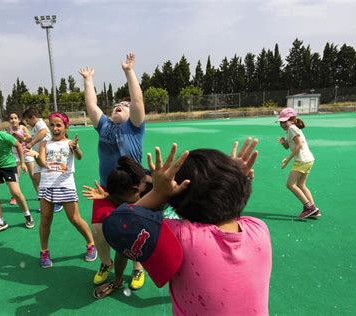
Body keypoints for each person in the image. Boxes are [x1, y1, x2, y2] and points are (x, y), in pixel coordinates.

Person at [104, 139, 272, 315]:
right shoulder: (259, 228)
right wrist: (238, 180)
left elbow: (118, 222)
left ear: (177, 201)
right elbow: (233, 211)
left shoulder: (182, 236)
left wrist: (159, 193)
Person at [79, 52, 146, 288]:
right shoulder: (104, 126)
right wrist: (88, 80)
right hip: (105, 189)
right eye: (116, 105)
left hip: (132, 189)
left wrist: (129, 71)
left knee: (135, 229)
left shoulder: (135, 128)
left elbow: (137, 101)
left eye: (123, 106)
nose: (119, 106)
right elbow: (91, 106)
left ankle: (137, 266)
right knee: (97, 229)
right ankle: (106, 263)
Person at [26, 112, 97, 268]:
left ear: (66, 127)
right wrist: (36, 155)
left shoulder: (70, 143)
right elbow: (44, 163)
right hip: (47, 185)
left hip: (65, 185)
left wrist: (76, 147)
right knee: (45, 220)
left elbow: (79, 157)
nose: (55, 128)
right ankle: (44, 251)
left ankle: (91, 243)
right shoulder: (45, 143)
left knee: (75, 219)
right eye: (52, 125)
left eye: (59, 125)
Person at [82, 156, 153, 298]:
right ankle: (116, 277)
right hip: (137, 203)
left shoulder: (152, 188)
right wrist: (117, 281)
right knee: (125, 242)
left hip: (167, 218)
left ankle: (138, 266)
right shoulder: (129, 189)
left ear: (135, 190)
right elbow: (122, 250)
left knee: (139, 237)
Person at [0, 112, 35, 235]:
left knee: (15, 192)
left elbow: (19, 146)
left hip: (9, 166)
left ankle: (27, 214)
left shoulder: (4, 136)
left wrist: (23, 163)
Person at [277, 108, 320, 219]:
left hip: (302, 160)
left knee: (290, 184)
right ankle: (314, 209)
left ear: (292, 120)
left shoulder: (292, 128)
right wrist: (283, 143)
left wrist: (287, 160)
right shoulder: (290, 130)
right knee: (301, 185)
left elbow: (299, 145)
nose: (282, 124)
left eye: (284, 121)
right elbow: (288, 146)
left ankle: (308, 207)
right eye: (281, 122)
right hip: (308, 159)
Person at [22, 108, 63, 213]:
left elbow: (43, 132)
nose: (27, 123)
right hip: (38, 156)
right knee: (36, 177)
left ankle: (57, 202)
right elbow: (32, 138)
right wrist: (20, 138)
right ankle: (49, 201)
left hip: (46, 155)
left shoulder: (40, 124)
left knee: (48, 178)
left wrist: (31, 144)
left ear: (33, 118)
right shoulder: (35, 127)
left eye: (27, 121)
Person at [7, 112, 34, 205]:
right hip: (15, 155)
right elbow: (7, 141)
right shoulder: (8, 129)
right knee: (15, 177)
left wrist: (19, 137)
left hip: (26, 153)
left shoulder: (23, 128)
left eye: (15, 118)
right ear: (9, 121)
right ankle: (14, 196)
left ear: (18, 120)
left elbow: (29, 139)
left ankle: (40, 195)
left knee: (33, 175)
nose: (13, 120)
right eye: (11, 118)